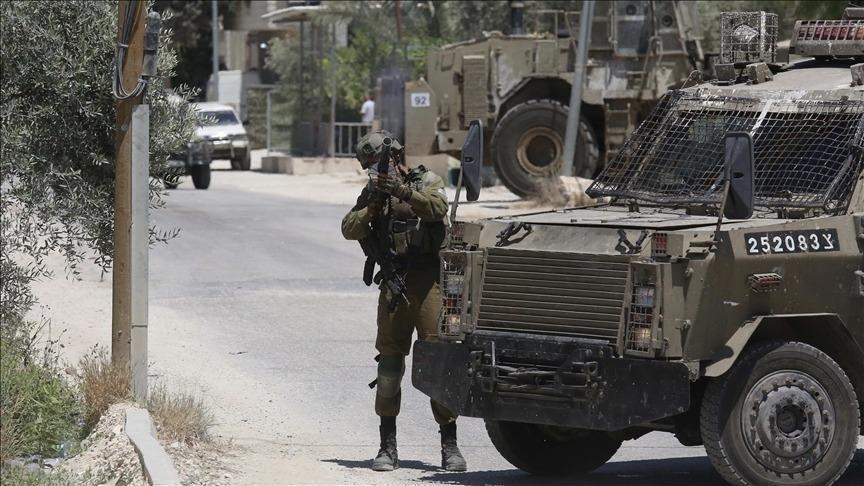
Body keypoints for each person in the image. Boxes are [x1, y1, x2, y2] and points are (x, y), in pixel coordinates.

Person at [341, 130, 467, 473]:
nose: (376, 171)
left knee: (438, 364)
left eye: (379, 164)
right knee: (389, 368)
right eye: (371, 167)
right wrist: (372, 206)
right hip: (394, 286)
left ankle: (450, 445)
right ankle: (387, 446)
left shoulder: (427, 181)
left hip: (429, 284)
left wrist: (401, 191)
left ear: (397, 157)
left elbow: (437, 208)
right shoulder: (373, 193)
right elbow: (349, 228)